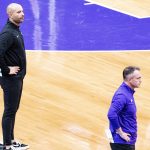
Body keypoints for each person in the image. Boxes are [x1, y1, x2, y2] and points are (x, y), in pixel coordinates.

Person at [0, 3, 29, 150]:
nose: (22, 14)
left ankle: (10, 140)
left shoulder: (15, 30)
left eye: (22, 11)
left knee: (13, 109)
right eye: (18, 12)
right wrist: (6, 70)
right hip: (10, 79)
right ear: (10, 15)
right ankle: (7, 145)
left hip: (17, 78)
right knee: (10, 110)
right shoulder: (8, 33)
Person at [107, 66, 142, 150]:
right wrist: (120, 132)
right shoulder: (122, 95)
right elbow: (111, 114)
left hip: (125, 141)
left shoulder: (127, 92)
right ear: (130, 80)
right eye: (138, 78)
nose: (140, 80)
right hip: (122, 142)